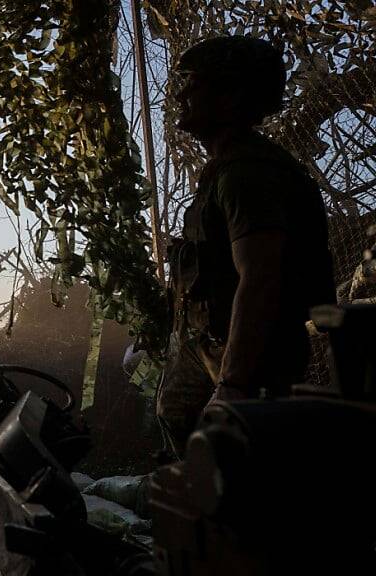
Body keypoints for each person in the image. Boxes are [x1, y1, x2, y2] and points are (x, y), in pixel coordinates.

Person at [156, 36, 335, 456]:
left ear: (229, 99)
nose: (182, 95)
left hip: (248, 361)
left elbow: (260, 277)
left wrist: (234, 383)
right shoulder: (225, 170)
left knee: (238, 466)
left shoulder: (247, 174)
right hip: (211, 344)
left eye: (194, 85)